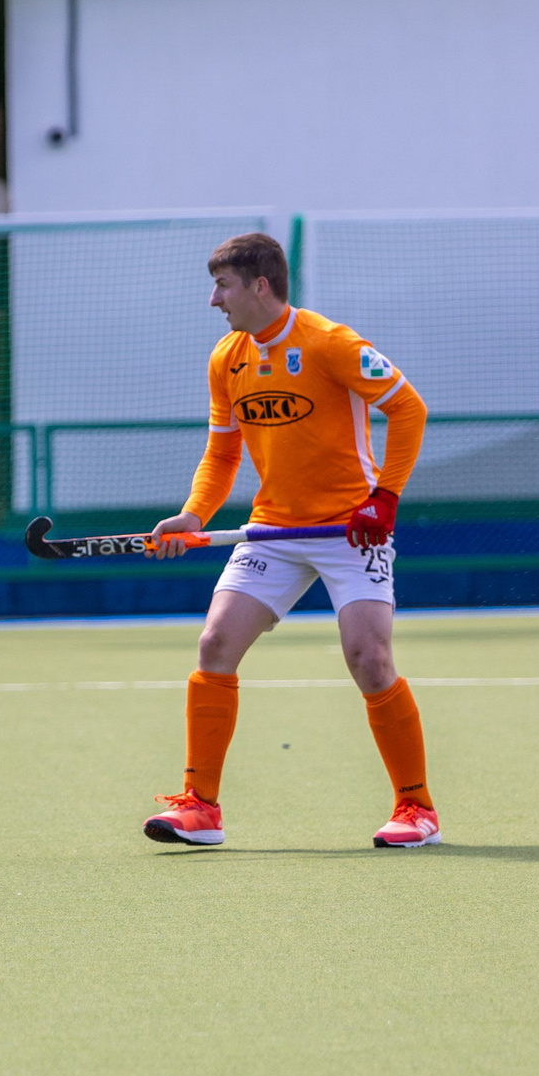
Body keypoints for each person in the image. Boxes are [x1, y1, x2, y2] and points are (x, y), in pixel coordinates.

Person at [143, 232, 439, 850]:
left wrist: (383, 499)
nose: (213, 299)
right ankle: (201, 808)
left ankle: (416, 809)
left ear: (260, 285)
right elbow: (222, 452)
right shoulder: (227, 358)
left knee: (370, 658)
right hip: (273, 529)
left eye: (222, 285)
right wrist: (194, 516)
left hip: (349, 528)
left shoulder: (330, 343)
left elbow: (409, 410)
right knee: (216, 643)